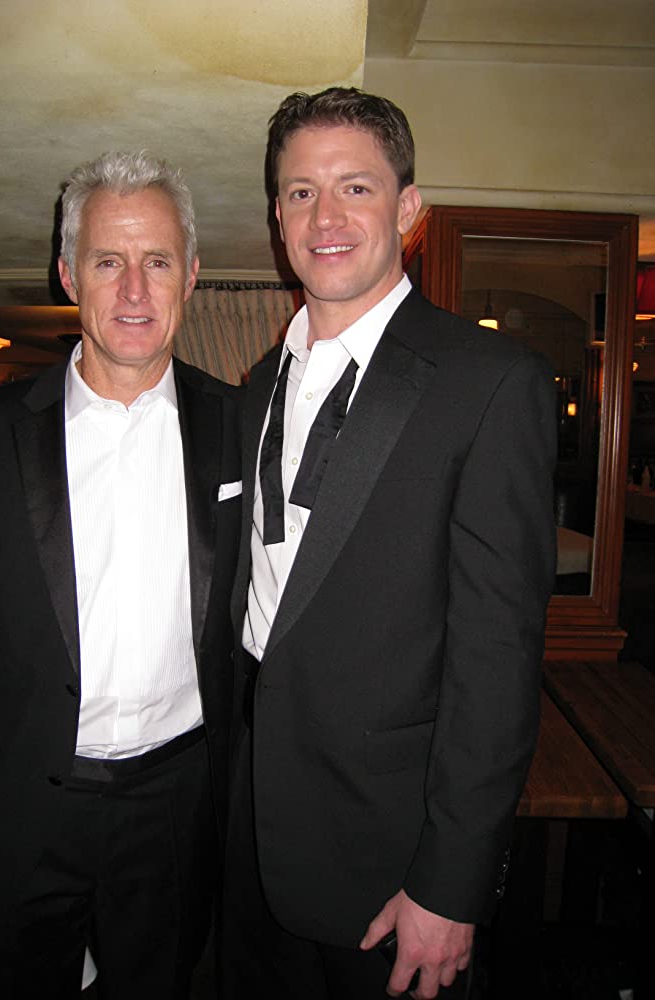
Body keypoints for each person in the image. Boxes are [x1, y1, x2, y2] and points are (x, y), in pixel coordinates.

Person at [222, 88, 557, 999]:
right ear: (277, 217)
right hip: (246, 837)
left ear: (408, 210)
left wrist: (451, 884)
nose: (324, 217)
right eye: (301, 192)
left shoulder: (491, 382)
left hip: (388, 861)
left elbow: (497, 659)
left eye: (356, 188)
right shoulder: (256, 388)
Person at [0, 151, 242, 999]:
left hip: (177, 806)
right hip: (18, 805)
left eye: (157, 261)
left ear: (191, 275)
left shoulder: (240, 427)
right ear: (67, 274)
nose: (133, 290)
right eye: (106, 261)